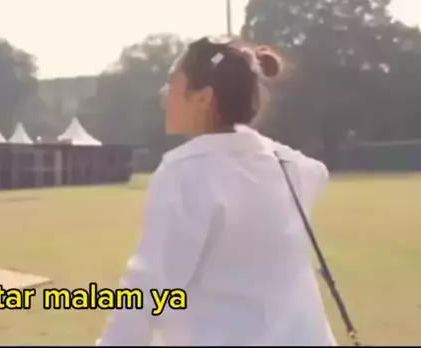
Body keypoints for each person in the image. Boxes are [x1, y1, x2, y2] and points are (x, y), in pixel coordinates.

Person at [97, 36, 336, 346]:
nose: (164, 94)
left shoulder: (186, 171)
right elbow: (317, 171)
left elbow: (149, 289)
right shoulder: (290, 166)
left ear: (203, 98)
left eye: (173, 84)